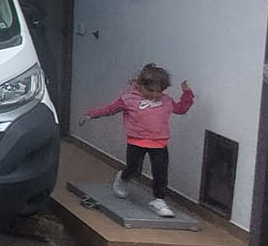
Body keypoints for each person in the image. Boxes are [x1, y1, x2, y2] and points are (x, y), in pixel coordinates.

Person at [80, 64, 195, 218]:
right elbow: (110, 109)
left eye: (159, 91)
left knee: (160, 173)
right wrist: (91, 114)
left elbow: (181, 109)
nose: (155, 95)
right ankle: (122, 178)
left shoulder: (166, 101)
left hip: (159, 143)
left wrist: (187, 94)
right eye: (150, 91)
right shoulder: (128, 99)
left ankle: (159, 200)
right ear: (141, 86)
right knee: (134, 170)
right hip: (136, 142)